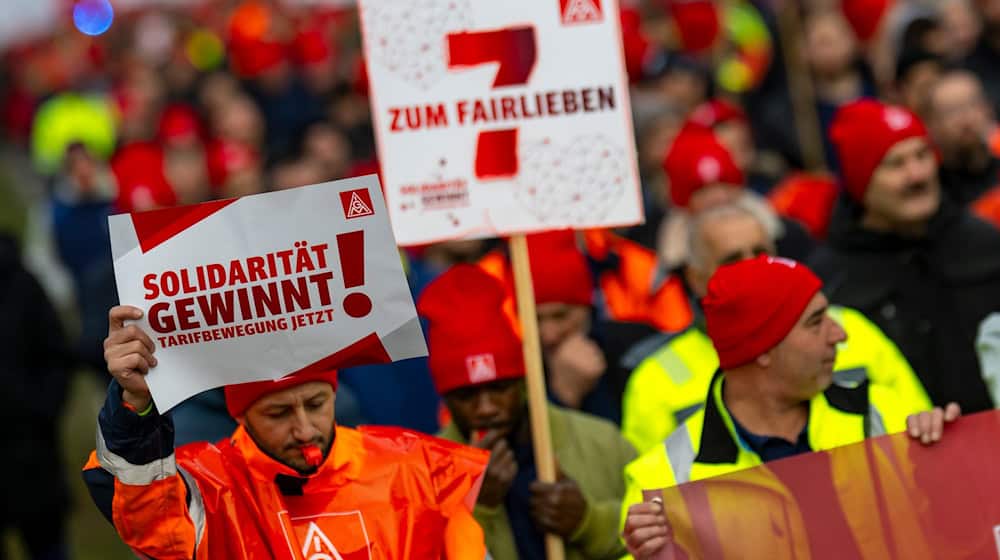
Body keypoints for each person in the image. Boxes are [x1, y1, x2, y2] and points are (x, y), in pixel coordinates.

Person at [621, 256, 961, 559]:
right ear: (762, 349)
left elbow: (959, 533)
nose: (839, 334)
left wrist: (955, 462)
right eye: (816, 322)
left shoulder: (887, 413)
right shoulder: (662, 478)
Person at [83, 305, 489, 559]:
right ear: (240, 415)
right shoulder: (210, 489)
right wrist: (135, 404)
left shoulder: (415, 467)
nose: (304, 428)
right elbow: (147, 517)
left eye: (316, 404)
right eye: (278, 413)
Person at [621, 200, 930, 454]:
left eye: (761, 252)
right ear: (696, 278)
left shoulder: (851, 328)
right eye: (733, 260)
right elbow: (658, 498)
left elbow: (918, 428)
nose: (753, 266)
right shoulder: (655, 380)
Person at [421, 265, 636, 560]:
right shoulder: (423, 474)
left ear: (524, 381)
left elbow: (668, 532)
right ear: (444, 398)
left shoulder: (601, 442)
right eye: (466, 395)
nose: (486, 408)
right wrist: (477, 508)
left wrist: (588, 522)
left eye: (499, 388)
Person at [813, 98, 1000, 413]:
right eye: (895, 164)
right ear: (861, 180)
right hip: (900, 456)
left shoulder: (982, 241)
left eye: (922, 155)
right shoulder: (831, 278)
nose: (917, 175)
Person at [0, 233, 74, 560]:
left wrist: (41, 410)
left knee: (48, 547)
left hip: (31, 456)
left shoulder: (20, 282)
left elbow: (56, 356)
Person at [926, 70, 1000, 206]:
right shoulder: (930, 194)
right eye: (951, 111)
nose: (966, 119)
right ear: (932, 125)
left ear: (988, 109)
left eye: (973, 105)